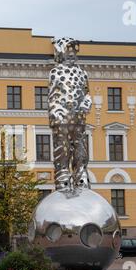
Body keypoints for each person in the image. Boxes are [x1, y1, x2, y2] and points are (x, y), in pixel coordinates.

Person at [48, 37, 92, 192]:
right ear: (61, 53)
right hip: (62, 118)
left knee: (80, 147)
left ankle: (81, 174)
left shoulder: (82, 73)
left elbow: (86, 93)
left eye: (74, 51)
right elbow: (53, 96)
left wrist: (87, 102)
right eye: (68, 51)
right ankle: (63, 176)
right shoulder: (56, 72)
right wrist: (55, 113)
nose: (72, 54)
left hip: (78, 118)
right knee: (63, 148)